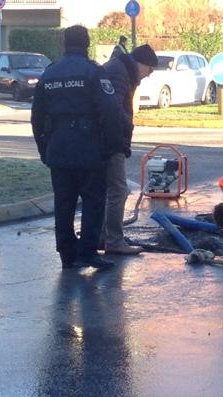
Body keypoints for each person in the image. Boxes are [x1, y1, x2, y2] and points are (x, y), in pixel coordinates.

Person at [31, 25, 128, 270]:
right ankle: (87, 252)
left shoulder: (50, 73)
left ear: (65, 44)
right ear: (86, 44)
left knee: (64, 203)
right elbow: (111, 110)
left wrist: (44, 148)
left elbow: (37, 115)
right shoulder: (93, 71)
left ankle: (66, 253)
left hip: (58, 148)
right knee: (93, 201)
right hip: (88, 147)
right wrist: (112, 145)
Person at [100, 44, 159, 256]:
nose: (148, 75)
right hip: (111, 141)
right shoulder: (120, 72)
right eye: (149, 70)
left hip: (104, 139)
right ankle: (114, 240)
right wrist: (125, 134)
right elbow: (113, 108)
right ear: (141, 63)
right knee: (118, 190)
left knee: (104, 190)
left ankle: (101, 236)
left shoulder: (118, 68)